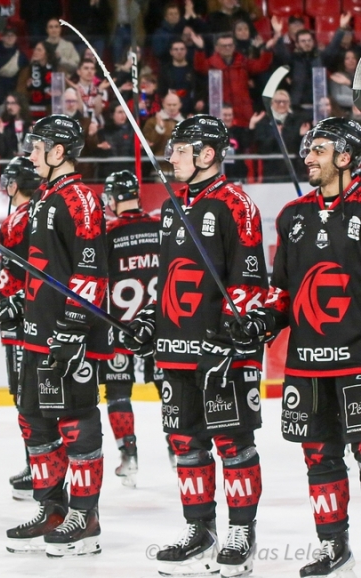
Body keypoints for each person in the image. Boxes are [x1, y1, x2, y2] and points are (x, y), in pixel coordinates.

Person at [122, 115, 267, 577]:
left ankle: (241, 531)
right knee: (185, 441)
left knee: (232, 442)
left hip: (220, 350)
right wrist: (150, 319)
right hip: (175, 347)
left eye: (181, 149)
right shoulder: (172, 207)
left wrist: (228, 338)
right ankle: (199, 529)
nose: (172, 156)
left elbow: (248, 279)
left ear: (208, 154)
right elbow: (168, 278)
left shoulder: (236, 203)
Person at [228, 117, 361, 578]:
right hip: (307, 365)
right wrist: (264, 319)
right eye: (307, 149)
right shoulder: (293, 215)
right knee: (318, 457)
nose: (308, 157)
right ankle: (333, 547)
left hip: (358, 362)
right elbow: (282, 290)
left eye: (319, 149)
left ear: (345, 157)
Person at [2, 115, 111, 557]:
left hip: (68, 339)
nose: (30, 154)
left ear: (59, 151)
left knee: (75, 424)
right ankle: (51, 507)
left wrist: (72, 328)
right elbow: (35, 268)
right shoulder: (45, 199)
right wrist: (16, 299)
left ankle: (85, 516)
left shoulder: (81, 199)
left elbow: (91, 272)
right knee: (35, 422)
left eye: (37, 145)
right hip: (34, 334)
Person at [0, 155, 41, 500]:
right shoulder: (40, 211)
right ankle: (39, 463)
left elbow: (15, 273)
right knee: (32, 394)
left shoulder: (19, 218)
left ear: (15, 184)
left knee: (24, 394)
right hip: (34, 315)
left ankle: (39, 466)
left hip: (21, 318)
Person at [102, 170, 162, 488]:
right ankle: (178, 450)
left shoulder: (109, 232)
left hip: (120, 326)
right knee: (169, 389)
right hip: (161, 323)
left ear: (112, 199)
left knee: (118, 393)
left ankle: (129, 457)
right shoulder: (159, 227)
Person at [192, 31, 272, 128]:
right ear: (216, 47)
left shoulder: (243, 62)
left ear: (234, 46)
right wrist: (200, 49)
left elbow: (261, 66)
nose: (227, 48)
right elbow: (200, 67)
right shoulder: (211, 63)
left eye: (230, 45)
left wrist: (267, 49)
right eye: (224, 46)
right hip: (221, 111)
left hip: (243, 111)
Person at [0, 92, 32, 160]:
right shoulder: (2, 126)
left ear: (21, 105)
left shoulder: (31, 126)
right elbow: (0, 151)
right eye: (8, 103)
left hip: (27, 164)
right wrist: (0, 134)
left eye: (13, 103)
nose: (9, 107)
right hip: (9, 164)